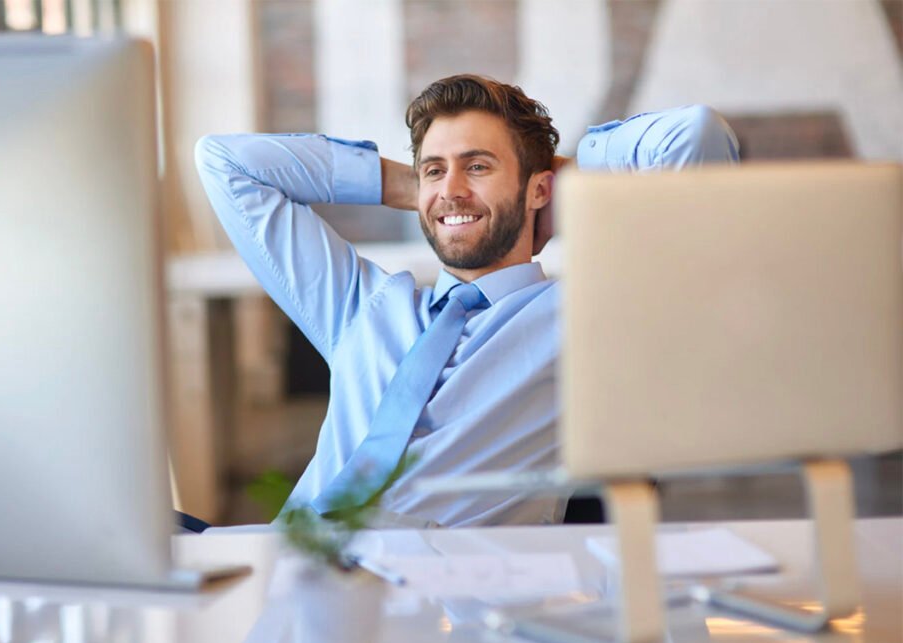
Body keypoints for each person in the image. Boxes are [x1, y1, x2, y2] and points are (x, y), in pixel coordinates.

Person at [195, 74, 739, 528]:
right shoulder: (362, 305)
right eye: (436, 168)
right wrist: (417, 188)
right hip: (290, 567)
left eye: (478, 166)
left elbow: (695, 137)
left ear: (539, 190)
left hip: (446, 610)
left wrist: (555, 177)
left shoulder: (591, 318)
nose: (452, 187)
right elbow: (226, 162)